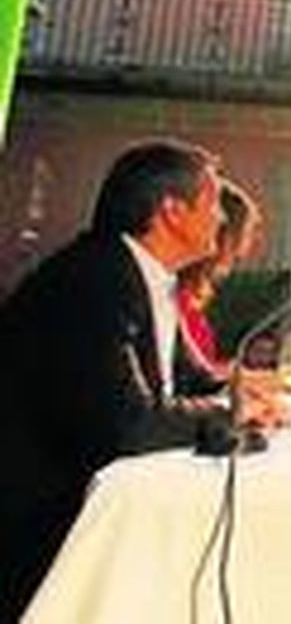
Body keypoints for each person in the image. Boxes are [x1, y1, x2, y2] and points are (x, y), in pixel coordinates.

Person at [0, 140, 229, 620]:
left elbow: (194, 382)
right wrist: (233, 412)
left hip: (92, 511)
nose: (222, 219)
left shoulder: (148, 276)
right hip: (37, 536)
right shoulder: (92, 281)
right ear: (172, 212)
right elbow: (129, 426)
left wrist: (256, 387)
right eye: (211, 203)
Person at [172, 180, 264, 397]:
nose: (245, 249)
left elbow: (200, 373)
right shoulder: (169, 292)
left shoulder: (191, 292)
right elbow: (185, 390)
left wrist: (255, 376)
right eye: (243, 234)